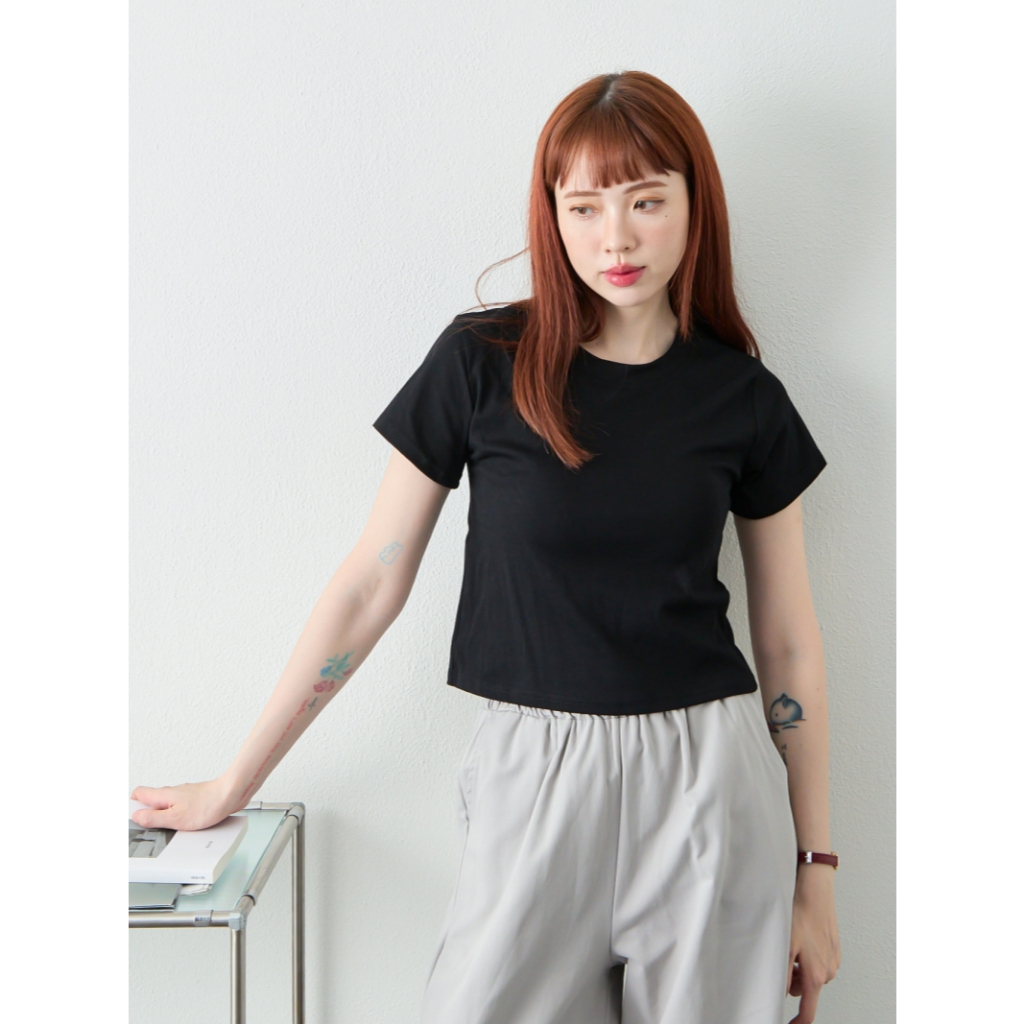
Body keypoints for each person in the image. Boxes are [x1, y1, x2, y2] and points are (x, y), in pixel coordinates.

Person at [132, 71, 841, 1024]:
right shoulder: (482, 363)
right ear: (552, 216)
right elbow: (368, 586)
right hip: (532, 771)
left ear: (692, 205)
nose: (616, 238)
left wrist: (816, 873)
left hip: (708, 778)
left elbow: (788, 639)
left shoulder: (743, 398)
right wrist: (234, 782)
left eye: (645, 202)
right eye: (584, 207)